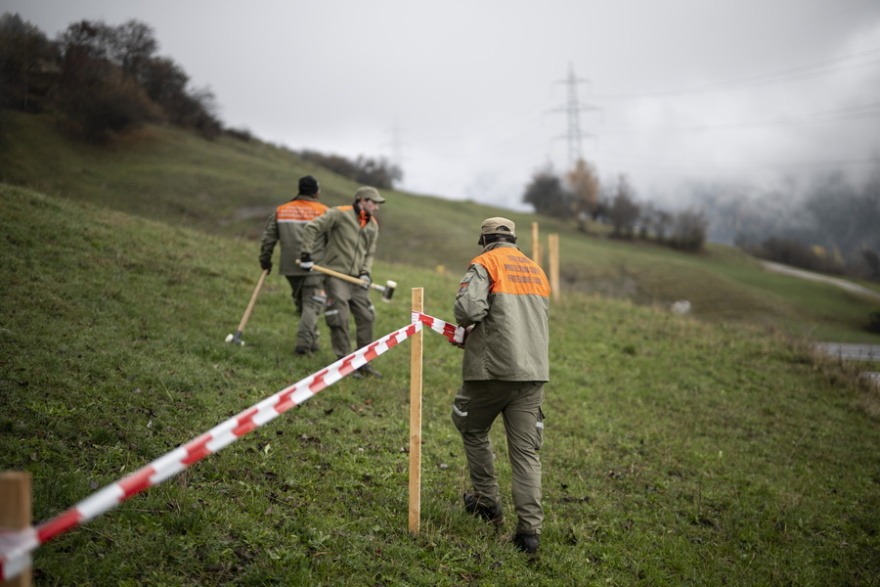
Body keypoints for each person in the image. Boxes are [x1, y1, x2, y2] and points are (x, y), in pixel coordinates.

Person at [450, 217, 551, 555]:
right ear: (514, 239)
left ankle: (486, 501)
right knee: (525, 453)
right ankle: (529, 533)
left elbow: (468, 310)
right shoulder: (536, 270)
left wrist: (469, 329)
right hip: (533, 373)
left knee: (471, 427)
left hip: (493, 371)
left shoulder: (486, 263)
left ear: (484, 240)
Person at [299, 186, 386, 378]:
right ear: (362, 200)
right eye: (374, 202)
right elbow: (312, 227)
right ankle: (344, 363)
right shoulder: (339, 214)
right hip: (335, 275)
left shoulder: (373, 225)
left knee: (367, 317)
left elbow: (369, 253)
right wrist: (306, 254)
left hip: (358, 279)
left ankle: (363, 362)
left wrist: (366, 272)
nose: (377, 207)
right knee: (340, 316)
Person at [259, 175, 329, 356]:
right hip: (315, 267)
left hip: (290, 267)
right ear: (316, 192)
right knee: (312, 305)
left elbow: (269, 237)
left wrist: (265, 259)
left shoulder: (282, 210)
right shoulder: (324, 211)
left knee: (304, 304)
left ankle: (313, 341)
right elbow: (333, 240)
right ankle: (304, 346)